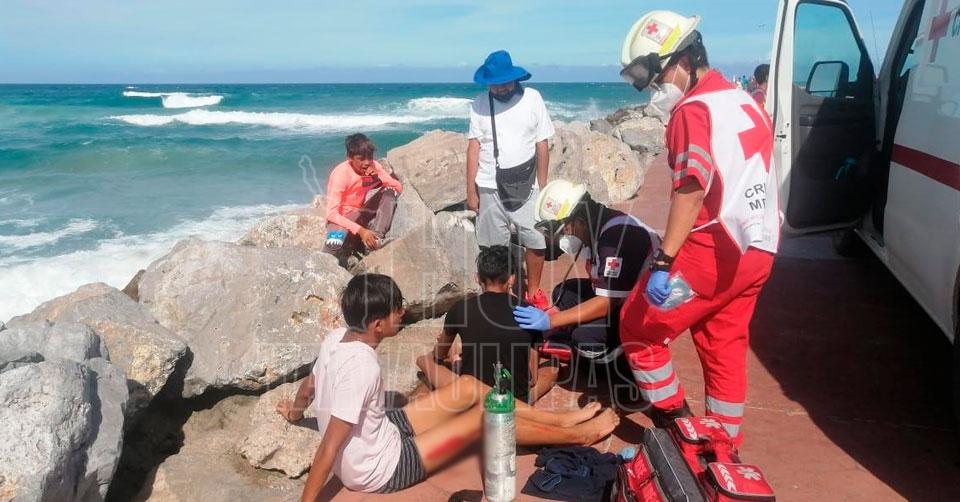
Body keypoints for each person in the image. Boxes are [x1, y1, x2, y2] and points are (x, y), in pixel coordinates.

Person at [276, 273, 620, 499]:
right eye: (398, 311)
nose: (404, 313)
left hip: (379, 432)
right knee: (485, 421)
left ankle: (560, 421)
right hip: (382, 468)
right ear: (379, 325)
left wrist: (294, 412)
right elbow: (328, 449)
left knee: (469, 387)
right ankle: (580, 435)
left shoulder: (337, 338)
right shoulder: (362, 367)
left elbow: (310, 384)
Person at [617, 11, 780, 444]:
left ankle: (677, 424)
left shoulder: (693, 111)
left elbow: (691, 188)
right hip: (758, 247)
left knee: (638, 328)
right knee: (723, 345)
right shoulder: (747, 101)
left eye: (658, 74)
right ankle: (722, 448)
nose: (656, 87)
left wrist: (663, 261)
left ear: (686, 58)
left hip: (710, 249)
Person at [511, 180, 659, 400]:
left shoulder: (616, 239)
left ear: (579, 221)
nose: (563, 236)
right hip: (623, 294)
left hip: (646, 310)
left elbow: (607, 303)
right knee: (566, 292)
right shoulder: (598, 226)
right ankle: (584, 336)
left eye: (565, 229)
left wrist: (551, 321)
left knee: (585, 338)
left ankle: (622, 368)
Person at [466, 50, 555, 309]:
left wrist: (543, 185)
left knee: (536, 240)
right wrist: (471, 191)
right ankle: (501, 295)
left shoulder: (533, 98)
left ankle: (533, 291)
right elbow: (473, 148)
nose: (500, 87)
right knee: (494, 248)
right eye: (495, 83)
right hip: (489, 185)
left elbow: (542, 143)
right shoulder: (479, 104)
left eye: (505, 81)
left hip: (528, 185)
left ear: (515, 79)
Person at [417, 245, 559, 403]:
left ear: (477, 278)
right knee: (553, 367)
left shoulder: (460, 309)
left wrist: (445, 352)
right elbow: (532, 379)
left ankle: (457, 361)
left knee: (424, 360)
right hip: (514, 401)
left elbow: (438, 355)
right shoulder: (530, 314)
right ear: (512, 278)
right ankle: (524, 404)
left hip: (472, 397)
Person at [323, 133, 402, 266]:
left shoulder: (374, 166)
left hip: (361, 212)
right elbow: (331, 214)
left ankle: (375, 239)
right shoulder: (341, 174)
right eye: (361, 159)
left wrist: (377, 178)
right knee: (331, 250)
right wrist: (361, 231)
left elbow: (397, 186)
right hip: (342, 219)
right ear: (350, 158)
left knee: (390, 191)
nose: (366, 163)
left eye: (370, 158)